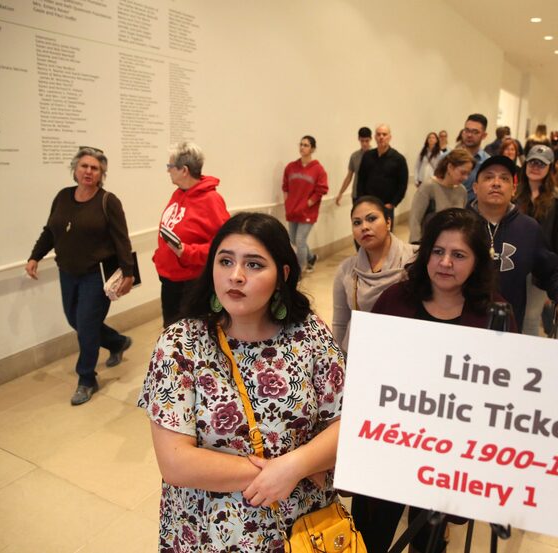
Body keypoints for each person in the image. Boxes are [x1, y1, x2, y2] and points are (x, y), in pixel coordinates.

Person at [139, 212, 344, 552]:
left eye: (254, 265)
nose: (235, 276)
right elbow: (175, 461)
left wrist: (295, 465)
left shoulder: (308, 334)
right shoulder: (180, 344)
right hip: (209, 529)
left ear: (283, 275)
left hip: (302, 527)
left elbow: (345, 422)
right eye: (225, 261)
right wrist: (286, 471)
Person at [354, 207, 510, 552]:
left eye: (458, 255)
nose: (445, 263)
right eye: (438, 252)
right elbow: (367, 372)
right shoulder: (396, 300)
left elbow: (502, 395)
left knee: (427, 540)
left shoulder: (493, 313)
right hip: (389, 443)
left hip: (448, 455)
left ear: (477, 261)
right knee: (369, 535)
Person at [26, 146, 134, 406]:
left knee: (85, 327)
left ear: (101, 174)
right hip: (68, 272)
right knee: (75, 320)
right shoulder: (62, 196)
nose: (88, 171)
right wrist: (35, 256)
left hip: (95, 276)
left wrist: (128, 273)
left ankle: (86, 379)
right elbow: (51, 231)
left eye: (95, 168)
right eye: (84, 166)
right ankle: (117, 341)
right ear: (75, 169)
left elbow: (121, 239)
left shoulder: (108, 201)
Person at [470, 155, 558, 331]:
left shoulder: (528, 228)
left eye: (504, 178)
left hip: (508, 323)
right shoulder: (458, 224)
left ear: (513, 189)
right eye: (488, 177)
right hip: (463, 322)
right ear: (475, 187)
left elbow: (549, 270)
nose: (496, 183)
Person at [154, 142, 230, 326]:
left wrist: (187, 252)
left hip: (191, 283)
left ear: (184, 170)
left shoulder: (211, 200)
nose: (168, 171)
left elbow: (224, 246)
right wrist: (160, 256)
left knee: (191, 337)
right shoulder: (178, 194)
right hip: (170, 279)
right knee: (171, 333)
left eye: (170, 166)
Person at [332, 195, 415, 351]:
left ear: (388, 222)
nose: (364, 227)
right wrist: (338, 363)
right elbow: (340, 323)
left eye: (371, 219)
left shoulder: (413, 262)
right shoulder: (346, 269)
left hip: (403, 350)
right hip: (360, 352)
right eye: (357, 223)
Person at [515, 145, 558, 336]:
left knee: (531, 318)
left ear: (549, 168)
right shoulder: (514, 196)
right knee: (513, 315)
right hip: (513, 264)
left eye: (541, 164)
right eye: (532, 162)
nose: (535, 167)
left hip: (540, 268)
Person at [408, 148, 475, 243]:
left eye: (468, 174)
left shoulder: (462, 191)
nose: (465, 177)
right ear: (450, 167)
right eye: (463, 173)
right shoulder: (429, 186)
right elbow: (415, 220)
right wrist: (417, 245)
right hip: (429, 243)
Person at [283, 135, 329, 273]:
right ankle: (311, 258)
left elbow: (322, 190)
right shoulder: (291, 167)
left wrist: (307, 203)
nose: (302, 147)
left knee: (300, 240)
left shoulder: (318, 169)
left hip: (308, 212)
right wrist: (288, 203)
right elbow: (285, 187)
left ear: (312, 149)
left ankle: (300, 269)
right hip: (292, 210)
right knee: (293, 239)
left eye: (306, 145)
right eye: (301, 144)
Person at [357, 124, 409, 223]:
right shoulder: (367, 156)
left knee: (386, 236)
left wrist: (393, 203)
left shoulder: (399, 159)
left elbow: (402, 184)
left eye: (384, 134)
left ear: (390, 137)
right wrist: (362, 200)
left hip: (386, 206)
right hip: (369, 205)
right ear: (375, 137)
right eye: (379, 134)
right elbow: (361, 180)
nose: (381, 137)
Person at [452, 113, 491, 205]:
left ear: (484, 135)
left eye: (475, 132)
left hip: (473, 213)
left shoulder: (488, 162)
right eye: (467, 130)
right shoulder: (448, 158)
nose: (469, 135)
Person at [334, 126, 372, 205]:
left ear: (371, 139)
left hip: (371, 196)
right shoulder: (354, 156)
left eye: (367, 141)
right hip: (357, 195)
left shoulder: (376, 155)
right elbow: (349, 177)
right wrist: (341, 193)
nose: (364, 144)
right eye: (362, 141)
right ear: (359, 139)